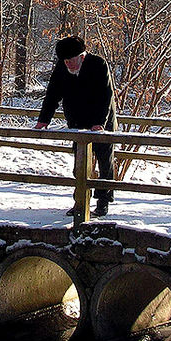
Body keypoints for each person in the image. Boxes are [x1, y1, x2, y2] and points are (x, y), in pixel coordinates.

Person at [35, 35, 117, 217]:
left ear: (81, 56)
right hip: (78, 122)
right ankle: (80, 201)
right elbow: (52, 94)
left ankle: (103, 201)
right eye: (65, 61)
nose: (68, 65)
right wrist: (44, 120)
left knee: (105, 161)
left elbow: (106, 96)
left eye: (71, 60)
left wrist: (99, 123)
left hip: (102, 120)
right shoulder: (62, 68)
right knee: (79, 164)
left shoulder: (98, 65)